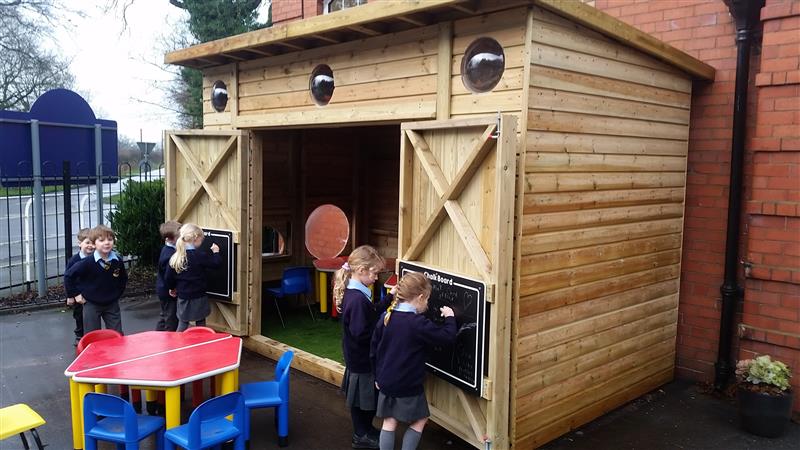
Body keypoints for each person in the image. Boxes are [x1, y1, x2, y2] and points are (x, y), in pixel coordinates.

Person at [370, 272, 456, 450]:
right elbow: (446, 337)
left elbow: (374, 350)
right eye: (427, 300)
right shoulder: (417, 323)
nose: (427, 304)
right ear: (421, 297)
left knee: (389, 420)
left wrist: (377, 376)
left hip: (385, 380)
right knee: (421, 419)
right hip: (408, 383)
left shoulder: (386, 317)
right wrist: (450, 317)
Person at [334, 245, 394, 450]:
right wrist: (383, 328)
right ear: (361, 271)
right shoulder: (358, 300)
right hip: (361, 360)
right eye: (375, 273)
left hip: (358, 357)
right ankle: (360, 435)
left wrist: (390, 298)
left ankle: (366, 430)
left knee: (365, 400)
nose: (377, 277)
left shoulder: (358, 293)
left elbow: (372, 313)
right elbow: (362, 333)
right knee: (362, 402)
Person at [64, 225, 128, 334]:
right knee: (93, 335)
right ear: (94, 244)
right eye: (102, 240)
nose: (107, 243)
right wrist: (75, 294)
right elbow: (68, 276)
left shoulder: (117, 260)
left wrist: (117, 293)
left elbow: (123, 278)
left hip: (111, 304)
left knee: (117, 334)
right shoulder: (87, 262)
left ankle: (116, 351)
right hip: (91, 304)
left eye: (110, 239)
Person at [165, 223, 219, 332]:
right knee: (200, 322)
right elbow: (216, 264)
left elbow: (168, 277)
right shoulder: (199, 256)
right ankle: (201, 343)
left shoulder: (176, 257)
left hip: (184, 296)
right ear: (196, 239)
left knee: (183, 322)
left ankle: (178, 344)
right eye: (201, 240)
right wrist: (216, 252)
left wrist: (172, 288)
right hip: (199, 295)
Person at [65, 228, 94, 345]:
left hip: (91, 292)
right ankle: (80, 335)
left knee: (92, 316)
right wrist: (70, 296)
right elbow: (68, 278)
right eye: (87, 243)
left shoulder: (96, 258)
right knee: (79, 315)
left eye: (93, 243)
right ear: (79, 243)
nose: (91, 246)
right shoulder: (74, 260)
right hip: (78, 294)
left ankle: (92, 334)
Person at [155, 220, 181, 331]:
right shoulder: (169, 254)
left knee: (165, 314)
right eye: (179, 236)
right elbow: (168, 275)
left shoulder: (168, 250)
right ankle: (169, 336)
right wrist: (172, 288)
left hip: (164, 289)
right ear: (171, 239)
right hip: (168, 291)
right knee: (171, 318)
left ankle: (158, 334)